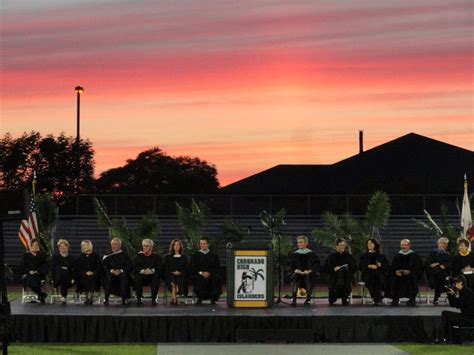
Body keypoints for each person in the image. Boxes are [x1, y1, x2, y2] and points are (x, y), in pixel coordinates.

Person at [437, 275, 474, 343]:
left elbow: (458, 304)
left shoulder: (466, 292)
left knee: (445, 314)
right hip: (466, 317)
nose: (454, 285)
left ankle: (441, 338)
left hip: (468, 319)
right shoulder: (464, 291)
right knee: (446, 315)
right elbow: (453, 305)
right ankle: (446, 339)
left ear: (460, 283)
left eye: (456, 283)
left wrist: (453, 295)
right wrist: (450, 295)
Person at [389, 239, 423, 306]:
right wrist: (396, 271)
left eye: (405, 245)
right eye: (402, 245)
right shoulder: (397, 255)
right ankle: (395, 299)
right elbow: (393, 267)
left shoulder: (415, 256)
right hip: (398, 275)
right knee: (392, 278)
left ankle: (412, 299)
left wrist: (410, 271)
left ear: (409, 246)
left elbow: (419, 267)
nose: (403, 246)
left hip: (411, 275)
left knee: (412, 277)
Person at [289, 235, 320, 306]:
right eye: (298, 242)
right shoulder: (294, 254)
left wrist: (309, 271)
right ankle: (294, 298)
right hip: (298, 274)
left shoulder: (312, 253)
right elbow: (290, 266)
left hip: (309, 274)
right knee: (295, 276)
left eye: (301, 242)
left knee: (307, 276)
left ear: (306, 243)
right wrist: (295, 270)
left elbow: (316, 265)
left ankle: (308, 298)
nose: (299, 244)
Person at [326, 238, 356, 305]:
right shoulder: (331, 256)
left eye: (344, 245)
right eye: (341, 245)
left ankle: (344, 298)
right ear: (337, 246)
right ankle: (337, 297)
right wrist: (333, 269)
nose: (343, 247)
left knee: (343, 274)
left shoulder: (348, 255)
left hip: (346, 277)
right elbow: (326, 267)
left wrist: (348, 268)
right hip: (334, 277)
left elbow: (354, 267)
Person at [191, 238, 221, 304]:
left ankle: (213, 299)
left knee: (215, 278)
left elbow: (217, 267)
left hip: (211, 274)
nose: (202, 245)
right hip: (199, 274)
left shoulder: (214, 255)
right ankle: (200, 298)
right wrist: (202, 273)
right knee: (198, 279)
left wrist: (209, 273)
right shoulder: (195, 255)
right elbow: (193, 267)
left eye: (204, 244)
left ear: (208, 244)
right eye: (201, 244)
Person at [102, 238, 132, 306]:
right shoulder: (107, 255)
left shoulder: (125, 255)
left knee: (124, 276)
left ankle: (124, 299)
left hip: (122, 274)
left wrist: (120, 271)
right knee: (107, 277)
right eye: (112, 244)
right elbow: (104, 266)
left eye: (115, 244)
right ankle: (106, 298)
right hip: (111, 274)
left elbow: (129, 266)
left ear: (120, 245)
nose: (114, 246)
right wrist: (112, 271)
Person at [359, 238, 389, 306]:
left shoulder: (381, 256)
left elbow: (386, 267)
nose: (369, 245)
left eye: (371, 243)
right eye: (368, 243)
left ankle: (376, 298)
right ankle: (377, 298)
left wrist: (380, 265)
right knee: (372, 277)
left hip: (379, 274)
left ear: (375, 244)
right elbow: (360, 266)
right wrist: (368, 266)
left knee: (378, 277)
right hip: (367, 274)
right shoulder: (364, 255)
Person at [132, 239, 161, 306]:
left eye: (147, 246)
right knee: (137, 278)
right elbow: (135, 267)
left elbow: (159, 267)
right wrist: (143, 271)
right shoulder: (138, 256)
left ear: (151, 247)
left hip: (152, 276)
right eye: (144, 246)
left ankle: (154, 299)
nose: (145, 247)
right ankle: (139, 299)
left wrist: (151, 271)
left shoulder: (157, 257)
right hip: (141, 276)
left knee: (156, 277)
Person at [424, 237, 452, 305]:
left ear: (446, 245)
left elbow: (450, 265)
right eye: (440, 243)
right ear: (437, 244)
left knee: (441, 277)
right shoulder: (432, 253)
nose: (441, 245)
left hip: (443, 276)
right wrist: (436, 265)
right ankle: (449, 297)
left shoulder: (448, 255)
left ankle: (436, 298)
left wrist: (442, 265)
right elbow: (427, 264)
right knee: (441, 277)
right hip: (433, 276)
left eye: (444, 243)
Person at [21, 238, 48, 303]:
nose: (35, 246)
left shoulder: (42, 255)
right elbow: (23, 266)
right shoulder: (26, 255)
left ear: (39, 246)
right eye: (33, 245)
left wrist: (37, 271)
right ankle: (42, 295)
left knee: (34, 280)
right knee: (28, 280)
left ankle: (41, 295)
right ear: (31, 246)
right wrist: (29, 271)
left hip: (39, 274)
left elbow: (45, 266)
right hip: (29, 275)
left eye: (37, 245)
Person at [75, 240, 101, 305]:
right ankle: (86, 297)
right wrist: (85, 272)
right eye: (83, 245)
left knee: (92, 277)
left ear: (89, 246)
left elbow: (99, 267)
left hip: (94, 275)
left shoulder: (96, 257)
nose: (84, 247)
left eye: (85, 245)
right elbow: (78, 268)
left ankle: (91, 296)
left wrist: (93, 272)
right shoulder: (80, 258)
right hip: (83, 275)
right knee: (85, 277)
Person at [163, 239, 189, 305]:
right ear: (172, 246)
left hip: (182, 276)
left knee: (177, 280)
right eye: (175, 245)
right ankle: (174, 293)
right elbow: (165, 268)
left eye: (178, 244)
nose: (176, 246)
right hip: (170, 275)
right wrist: (172, 272)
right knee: (172, 280)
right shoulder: (167, 257)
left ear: (180, 246)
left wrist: (180, 272)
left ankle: (173, 296)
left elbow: (187, 269)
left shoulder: (184, 257)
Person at [51, 239, 75, 304]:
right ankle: (63, 297)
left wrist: (72, 277)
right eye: (61, 247)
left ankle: (63, 297)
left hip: (69, 280)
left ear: (67, 247)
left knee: (64, 275)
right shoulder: (55, 258)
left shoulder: (72, 258)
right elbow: (53, 269)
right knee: (61, 271)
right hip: (57, 279)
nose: (63, 248)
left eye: (64, 246)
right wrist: (61, 269)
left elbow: (74, 269)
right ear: (59, 248)